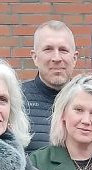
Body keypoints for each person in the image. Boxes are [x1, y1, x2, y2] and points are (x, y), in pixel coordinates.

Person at [22, 20, 78, 152]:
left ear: (74, 58)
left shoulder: (90, 103)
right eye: (48, 49)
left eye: (63, 50)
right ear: (35, 57)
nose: (57, 58)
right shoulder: (15, 100)